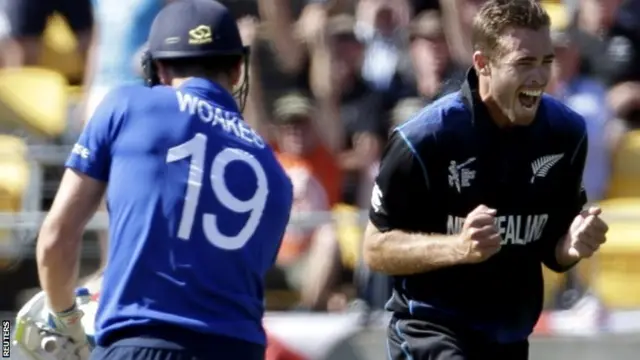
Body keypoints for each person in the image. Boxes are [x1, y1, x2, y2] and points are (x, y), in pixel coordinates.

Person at [35, 1, 293, 359]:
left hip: (141, 345)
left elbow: (55, 240)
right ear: (237, 70)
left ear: (157, 66)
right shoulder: (276, 171)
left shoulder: (126, 105)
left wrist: (65, 321)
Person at [362, 1, 609, 359]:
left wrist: (570, 245)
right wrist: (458, 247)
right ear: (483, 64)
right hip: (431, 331)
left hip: (509, 340)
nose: (539, 77)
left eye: (546, 62)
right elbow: (375, 248)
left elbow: (551, 247)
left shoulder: (565, 133)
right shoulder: (424, 139)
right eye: (523, 63)